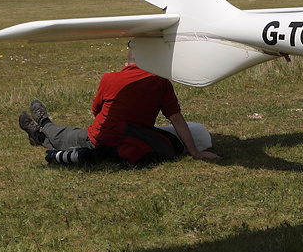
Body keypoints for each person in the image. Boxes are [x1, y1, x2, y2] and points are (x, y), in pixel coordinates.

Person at [18, 46, 220, 165]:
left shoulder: (110, 79)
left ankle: (42, 125)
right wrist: (195, 152)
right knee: (69, 136)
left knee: (63, 135)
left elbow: (95, 111)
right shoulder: (161, 82)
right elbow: (176, 118)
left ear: (127, 64)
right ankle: (38, 133)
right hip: (134, 137)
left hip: (100, 138)